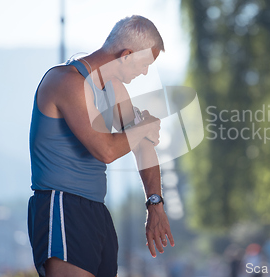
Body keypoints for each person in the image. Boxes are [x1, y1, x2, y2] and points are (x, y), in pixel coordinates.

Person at [28, 15, 175, 277]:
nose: (144, 73)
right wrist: (143, 129)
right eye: (145, 65)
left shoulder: (114, 89)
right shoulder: (66, 82)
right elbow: (106, 150)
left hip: (97, 210)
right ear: (127, 55)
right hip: (62, 205)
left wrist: (155, 203)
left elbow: (144, 145)